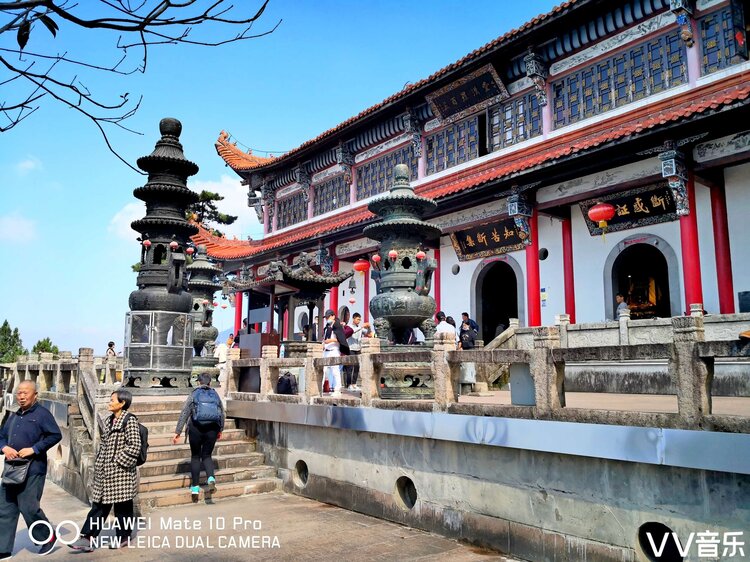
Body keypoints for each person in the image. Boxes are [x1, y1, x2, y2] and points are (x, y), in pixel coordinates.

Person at [68, 389, 141, 552]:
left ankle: (123, 537)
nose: (109, 402)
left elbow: (135, 446)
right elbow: (104, 445)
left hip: (121, 474)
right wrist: (101, 462)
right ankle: (87, 538)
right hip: (104, 473)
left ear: (122, 403)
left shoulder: (129, 421)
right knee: (98, 507)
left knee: (123, 508)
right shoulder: (109, 421)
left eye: (112, 400)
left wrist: (117, 462)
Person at [0, 380, 62, 558]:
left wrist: (34, 449)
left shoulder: (42, 414)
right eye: (19, 392)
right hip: (11, 469)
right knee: (5, 508)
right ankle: (3, 548)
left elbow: (55, 435)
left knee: (29, 507)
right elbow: (1, 437)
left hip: (33, 469)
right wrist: (5, 448)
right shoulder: (14, 415)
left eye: (26, 393)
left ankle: (47, 538)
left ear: (35, 395)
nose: (21, 396)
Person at [172, 373, 225, 499]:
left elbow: (185, 412)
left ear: (198, 382)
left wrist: (177, 432)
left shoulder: (194, 394)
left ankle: (195, 488)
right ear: (210, 383)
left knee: (195, 456)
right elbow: (221, 413)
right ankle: (211, 478)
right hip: (212, 429)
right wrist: (220, 429)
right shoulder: (215, 394)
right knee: (207, 456)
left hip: (196, 429)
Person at [322, 309, 349, 396]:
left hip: (334, 350)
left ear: (333, 316)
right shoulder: (327, 327)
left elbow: (341, 339)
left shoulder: (337, 326)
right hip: (326, 351)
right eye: (326, 317)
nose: (327, 319)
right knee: (323, 369)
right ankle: (322, 388)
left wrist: (331, 340)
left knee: (335, 370)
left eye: (328, 317)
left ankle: (337, 388)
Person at [345, 313, 364, 391]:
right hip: (351, 348)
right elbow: (352, 332)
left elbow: (368, 333)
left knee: (357, 367)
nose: (359, 321)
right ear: (353, 319)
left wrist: (369, 328)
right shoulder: (349, 327)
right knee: (350, 367)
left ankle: (354, 384)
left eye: (360, 319)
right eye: (357, 319)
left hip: (358, 349)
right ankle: (349, 384)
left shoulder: (360, 327)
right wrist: (362, 327)